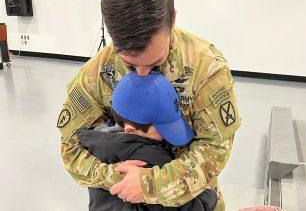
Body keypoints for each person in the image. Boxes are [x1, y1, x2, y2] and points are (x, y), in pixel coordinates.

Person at [57, 0, 241, 210]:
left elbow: (215, 148)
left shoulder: (206, 69)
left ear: (172, 19)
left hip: (192, 200)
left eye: (154, 62)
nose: (142, 73)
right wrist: (117, 177)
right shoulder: (97, 74)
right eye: (130, 64)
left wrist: (151, 184)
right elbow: (70, 148)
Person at [77, 71, 217, 211]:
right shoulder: (151, 156)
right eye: (161, 128)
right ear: (131, 131)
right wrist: (209, 194)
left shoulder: (96, 145)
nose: (166, 135)